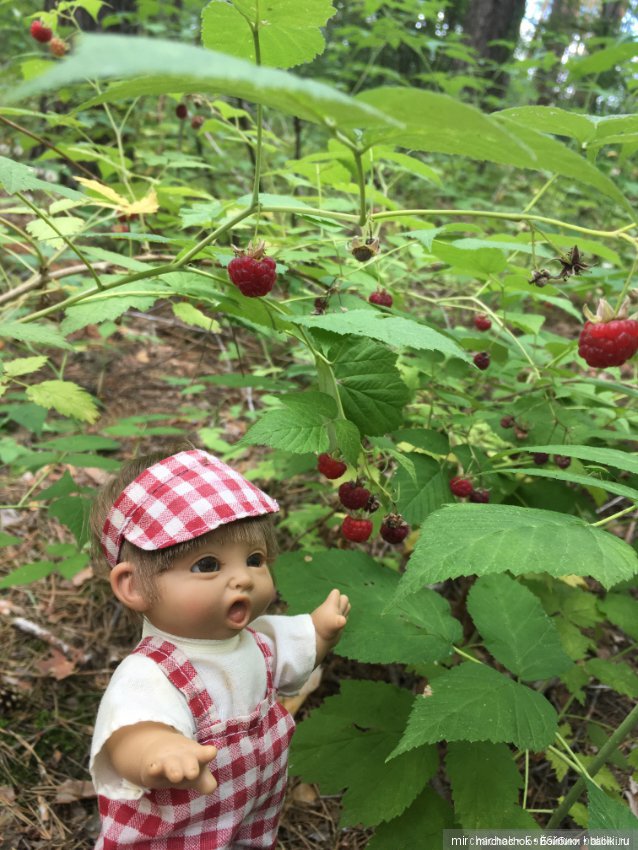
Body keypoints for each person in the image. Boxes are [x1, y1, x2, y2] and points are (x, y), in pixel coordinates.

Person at [88, 447, 350, 850]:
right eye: (208, 565)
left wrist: (320, 632)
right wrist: (158, 750)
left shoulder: (257, 639)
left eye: (254, 559)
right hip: (178, 832)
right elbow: (129, 732)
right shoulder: (152, 671)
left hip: (249, 811)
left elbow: (292, 654)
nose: (243, 578)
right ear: (133, 585)